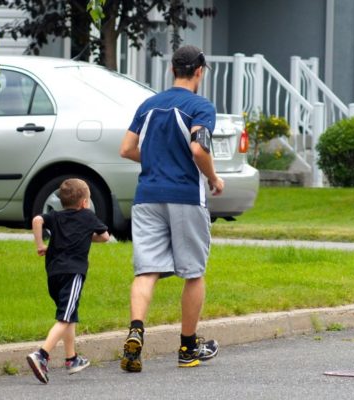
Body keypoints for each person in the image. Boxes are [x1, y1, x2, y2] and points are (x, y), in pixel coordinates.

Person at [119, 45, 225, 372]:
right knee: (193, 272)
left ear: (171, 69)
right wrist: (214, 177)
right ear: (199, 71)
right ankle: (187, 348)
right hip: (185, 197)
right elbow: (198, 148)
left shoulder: (148, 105)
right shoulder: (200, 107)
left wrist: (155, 159)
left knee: (147, 270)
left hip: (147, 196)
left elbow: (126, 149)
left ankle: (136, 331)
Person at [27, 178, 110, 384]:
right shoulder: (88, 217)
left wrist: (40, 244)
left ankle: (71, 358)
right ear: (84, 203)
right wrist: (86, 235)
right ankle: (42, 355)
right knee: (64, 317)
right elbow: (105, 236)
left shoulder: (55, 216)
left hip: (53, 273)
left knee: (69, 314)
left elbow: (37, 220)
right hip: (73, 273)